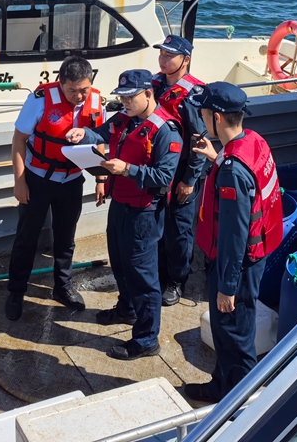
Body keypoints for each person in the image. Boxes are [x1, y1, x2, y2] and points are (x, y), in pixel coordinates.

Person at [66, 69, 182, 361]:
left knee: (143, 276)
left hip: (143, 212)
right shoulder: (125, 118)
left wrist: (127, 170)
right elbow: (102, 132)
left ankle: (146, 339)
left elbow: (165, 177)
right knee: (119, 263)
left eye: (131, 97)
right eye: (123, 98)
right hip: (119, 204)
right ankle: (127, 309)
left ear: (148, 94)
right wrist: (84, 133)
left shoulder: (166, 131)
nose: (126, 103)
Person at [184, 83, 284, 403]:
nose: (202, 119)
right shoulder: (251, 141)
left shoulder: (231, 172)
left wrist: (227, 287)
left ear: (216, 118)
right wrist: (216, 157)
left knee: (235, 338)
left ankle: (239, 407)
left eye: (204, 114)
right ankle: (220, 386)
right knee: (228, 332)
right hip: (252, 258)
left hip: (235, 267)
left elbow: (233, 234)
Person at [5, 56, 105, 321]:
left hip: (71, 181)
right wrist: (20, 181)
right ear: (61, 83)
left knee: (66, 238)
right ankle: (16, 291)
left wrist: (101, 180)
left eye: (84, 90)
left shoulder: (96, 101)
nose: (79, 96)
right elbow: (19, 140)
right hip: (37, 179)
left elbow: (101, 141)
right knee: (27, 238)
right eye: (72, 90)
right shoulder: (40, 99)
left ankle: (62, 287)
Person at [151, 35, 209, 307]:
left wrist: (189, 180)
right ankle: (159, 273)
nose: (163, 59)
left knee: (179, 230)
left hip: (182, 171)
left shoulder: (193, 95)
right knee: (157, 225)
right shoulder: (153, 85)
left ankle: (177, 279)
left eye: (169, 55)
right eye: (161, 54)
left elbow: (200, 141)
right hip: (157, 168)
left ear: (185, 60)